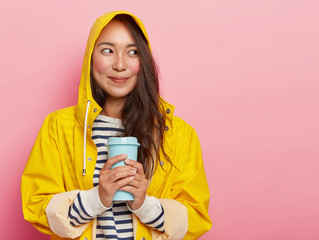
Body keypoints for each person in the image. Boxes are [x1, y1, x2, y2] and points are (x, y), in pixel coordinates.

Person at [21, 10, 212, 240]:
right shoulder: (58, 128)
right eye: (108, 51)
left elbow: (196, 216)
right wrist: (97, 198)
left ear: (143, 61)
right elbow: (35, 205)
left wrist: (144, 204)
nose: (120, 65)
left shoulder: (178, 134)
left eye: (132, 52)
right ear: (91, 58)